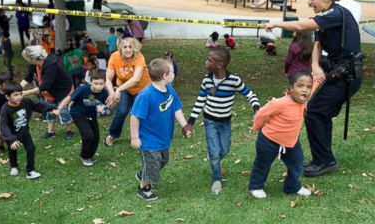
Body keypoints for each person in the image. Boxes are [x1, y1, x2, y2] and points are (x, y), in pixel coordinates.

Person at [264, 0, 362, 177]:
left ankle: (324, 161)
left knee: (315, 112)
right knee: (319, 113)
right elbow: (317, 43)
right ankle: (324, 159)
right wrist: (315, 65)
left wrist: (275, 23)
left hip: (347, 77)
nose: (309, 2)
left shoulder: (336, 14)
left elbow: (301, 25)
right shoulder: (325, 15)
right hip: (336, 74)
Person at [185, 47, 260, 194]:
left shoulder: (234, 80)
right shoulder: (207, 80)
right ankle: (217, 179)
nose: (206, 62)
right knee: (214, 152)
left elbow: (250, 94)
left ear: (219, 64)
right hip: (210, 121)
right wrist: (190, 122)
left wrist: (256, 108)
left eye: (209, 60)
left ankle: (214, 158)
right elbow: (200, 100)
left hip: (225, 122)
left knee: (224, 149)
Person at [248, 71, 316, 199]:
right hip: (268, 141)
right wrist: (256, 127)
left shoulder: (304, 100)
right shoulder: (280, 103)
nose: (305, 90)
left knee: (297, 163)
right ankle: (255, 186)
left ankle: (292, 187)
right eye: (300, 86)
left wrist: (318, 73)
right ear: (291, 88)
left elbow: (316, 82)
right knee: (262, 164)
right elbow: (261, 114)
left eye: (308, 87)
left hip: (291, 142)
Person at [130, 58, 189, 200]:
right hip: (149, 140)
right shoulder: (145, 95)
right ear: (164, 76)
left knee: (163, 160)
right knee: (152, 163)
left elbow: (176, 108)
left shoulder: (169, 89)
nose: (174, 74)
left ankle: (143, 173)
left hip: (163, 137)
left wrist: (185, 125)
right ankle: (144, 188)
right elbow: (135, 117)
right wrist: (135, 137)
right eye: (172, 72)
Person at [0, 81, 57, 179]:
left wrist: (52, 108)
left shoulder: (25, 102)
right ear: (7, 97)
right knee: (12, 150)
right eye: (15, 95)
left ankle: (30, 171)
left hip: (24, 132)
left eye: (20, 93)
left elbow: (37, 104)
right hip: (12, 135)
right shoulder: (5, 109)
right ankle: (14, 166)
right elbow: (3, 126)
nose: (19, 97)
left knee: (31, 148)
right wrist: (12, 139)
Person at [55, 69, 110, 167]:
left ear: (105, 82)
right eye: (95, 83)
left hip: (91, 116)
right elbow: (69, 98)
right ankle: (85, 156)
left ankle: (90, 155)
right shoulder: (83, 89)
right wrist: (59, 108)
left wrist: (103, 108)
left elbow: (107, 106)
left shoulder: (104, 93)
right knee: (88, 135)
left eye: (101, 84)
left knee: (96, 138)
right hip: (78, 114)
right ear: (90, 81)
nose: (98, 86)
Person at [104, 37, 151, 146]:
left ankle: (138, 136)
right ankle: (113, 135)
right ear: (120, 48)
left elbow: (136, 79)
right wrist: (112, 93)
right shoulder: (114, 57)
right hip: (124, 88)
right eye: (125, 47)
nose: (128, 49)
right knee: (122, 111)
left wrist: (118, 90)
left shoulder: (139, 57)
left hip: (141, 88)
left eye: (130, 47)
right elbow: (107, 78)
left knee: (138, 113)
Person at [20, 45, 74, 140]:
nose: (27, 60)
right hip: (50, 92)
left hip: (63, 91)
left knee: (64, 111)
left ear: (34, 58)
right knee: (48, 110)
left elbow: (44, 86)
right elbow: (28, 78)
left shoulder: (51, 64)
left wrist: (23, 93)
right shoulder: (34, 64)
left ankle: (69, 130)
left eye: (28, 58)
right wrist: (18, 89)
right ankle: (50, 132)